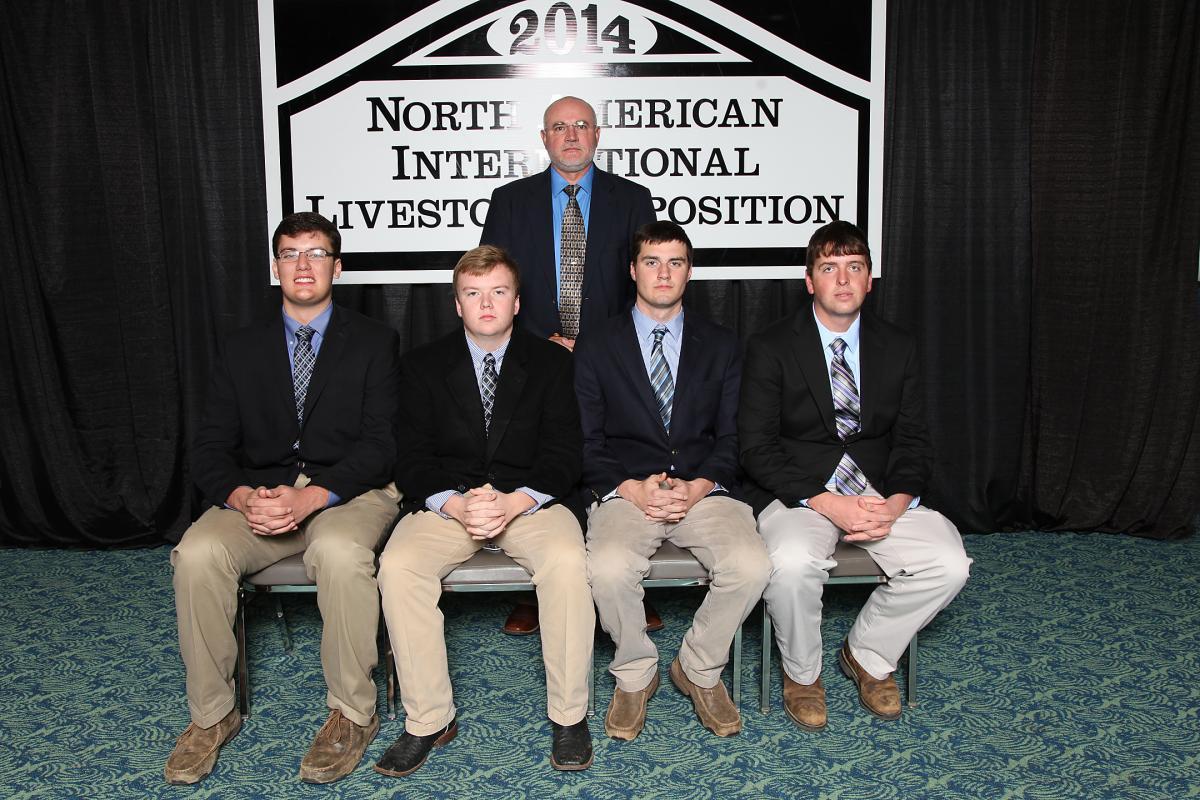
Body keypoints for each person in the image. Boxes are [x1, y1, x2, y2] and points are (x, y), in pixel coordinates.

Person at [167, 212, 401, 784]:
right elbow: (208, 446)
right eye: (291, 253)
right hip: (262, 493)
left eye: (317, 253)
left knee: (341, 555)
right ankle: (212, 716)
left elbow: (384, 443)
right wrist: (244, 496)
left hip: (349, 490)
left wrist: (314, 497)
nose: (303, 264)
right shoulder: (241, 348)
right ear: (275, 268)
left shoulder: (375, 341)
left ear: (337, 267)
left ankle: (352, 712)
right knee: (196, 555)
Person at [738, 220, 971, 730]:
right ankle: (802, 675)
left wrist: (897, 501)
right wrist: (826, 502)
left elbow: (914, 440)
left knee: (949, 562)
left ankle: (867, 654)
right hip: (801, 491)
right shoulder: (771, 345)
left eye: (854, 268)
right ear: (809, 281)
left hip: (876, 491)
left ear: (870, 280)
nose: (843, 280)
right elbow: (755, 447)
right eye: (829, 268)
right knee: (792, 562)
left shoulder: (898, 345)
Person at [374, 246, 595, 776]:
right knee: (398, 566)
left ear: (517, 302)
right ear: (457, 304)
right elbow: (412, 457)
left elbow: (566, 452)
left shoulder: (552, 363)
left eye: (498, 292)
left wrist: (517, 501)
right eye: (473, 294)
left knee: (568, 562)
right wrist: (455, 503)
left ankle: (569, 716)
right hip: (452, 502)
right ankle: (428, 720)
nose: (487, 303)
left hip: (530, 501)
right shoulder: (423, 366)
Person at [575, 221, 771, 740]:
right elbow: (586, 441)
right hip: (626, 490)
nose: (664, 273)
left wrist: (701, 485)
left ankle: (699, 667)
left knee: (752, 565)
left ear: (690, 271)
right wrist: (631, 488)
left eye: (676, 262)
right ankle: (636, 673)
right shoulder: (596, 344)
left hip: (703, 488)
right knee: (610, 568)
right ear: (632, 269)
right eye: (652, 262)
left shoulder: (723, 344)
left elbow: (733, 438)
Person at [480, 94, 660, 635]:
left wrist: (597, 345)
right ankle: (539, 589)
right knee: (540, 456)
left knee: (613, 452)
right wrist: (540, 342)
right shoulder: (510, 201)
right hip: (533, 353)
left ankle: (624, 586)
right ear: (544, 138)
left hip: (610, 356)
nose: (572, 135)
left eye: (581, 125)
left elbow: (646, 283)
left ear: (598, 134)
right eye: (560, 127)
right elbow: (492, 281)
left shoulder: (633, 199)